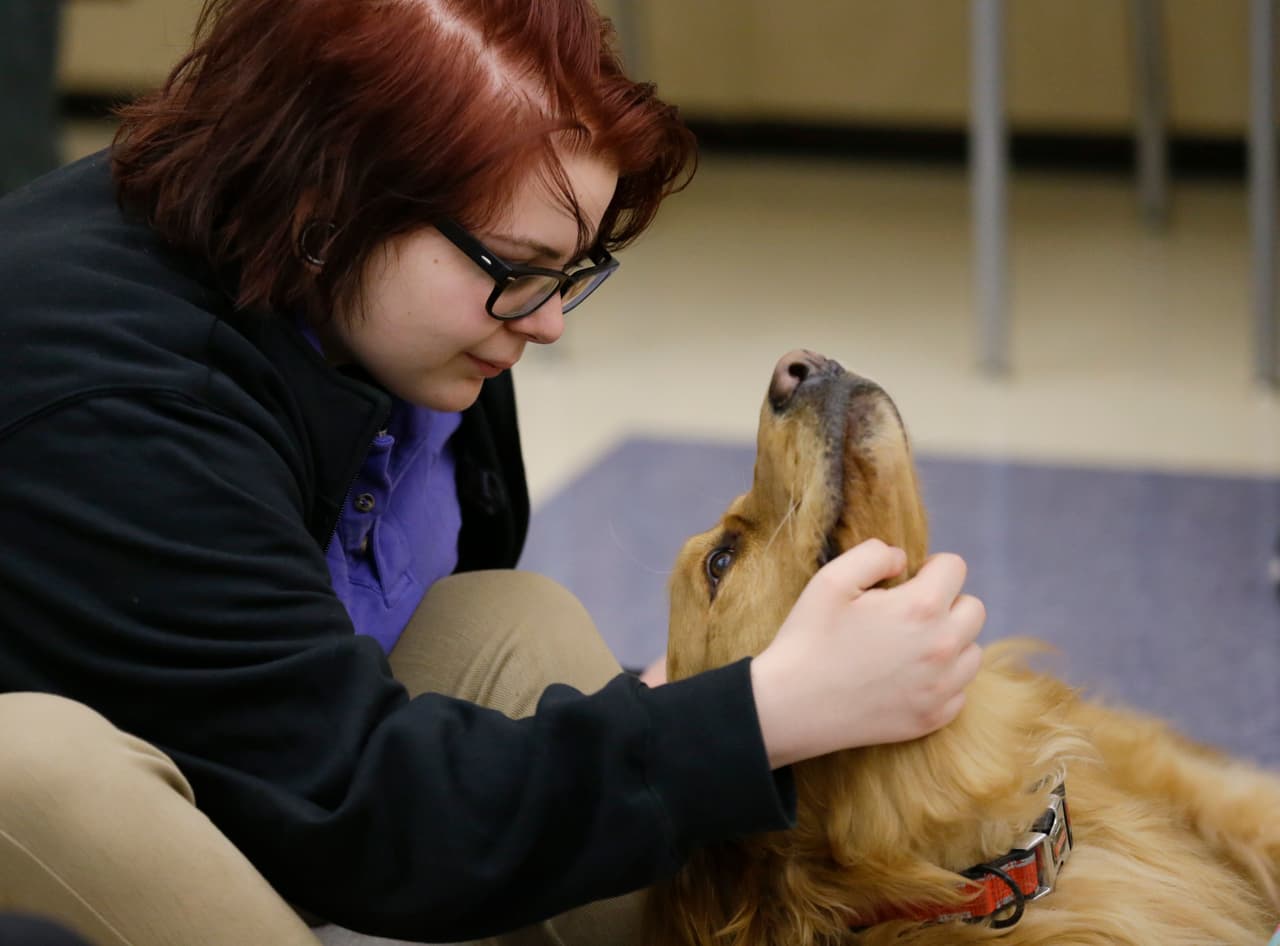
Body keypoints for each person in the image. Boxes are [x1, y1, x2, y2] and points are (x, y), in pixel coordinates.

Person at [0, 1, 986, 944]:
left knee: (509, 624)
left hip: (251, 761)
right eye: (517, 267)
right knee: (30, 768)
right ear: (326, 204)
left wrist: (683, 720)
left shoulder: (403, 313)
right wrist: (760, 714)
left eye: (569, 269)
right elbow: (360, 807)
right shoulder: (115, 400)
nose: (547, 321)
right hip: (92, 818)